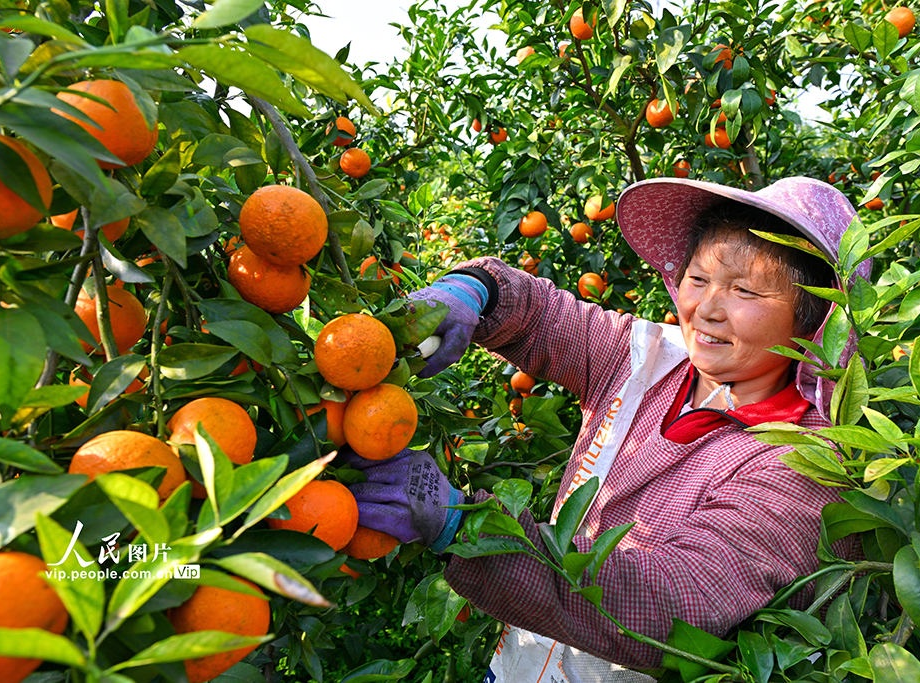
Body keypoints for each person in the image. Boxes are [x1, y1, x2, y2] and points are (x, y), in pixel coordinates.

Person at [343, 177, 870, 683]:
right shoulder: (649, 358)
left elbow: (679, 603)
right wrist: (472, 291)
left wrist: (468, 528)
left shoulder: (799, 466)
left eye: (746, 292)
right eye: (698, 279)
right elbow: (539, 315)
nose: (707, 310)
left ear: (814, 319)